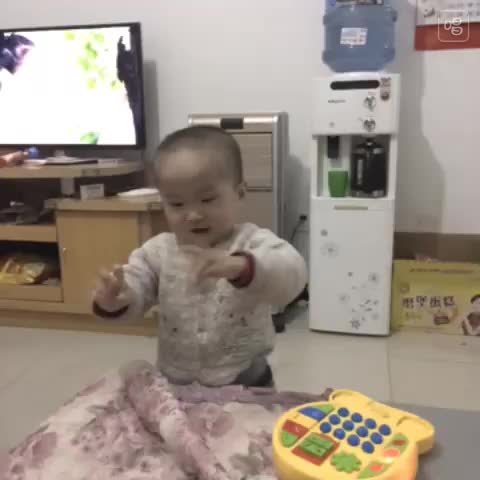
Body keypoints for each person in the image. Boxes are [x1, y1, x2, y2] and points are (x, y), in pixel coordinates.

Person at [92, 126, 307, 387]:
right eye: (177, 204)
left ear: (239, 194)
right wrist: (118, 299)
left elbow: (292, 274)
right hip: (177, 386)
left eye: (207, 199)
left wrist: (242, 268)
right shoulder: (158, 251)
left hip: (248, 381)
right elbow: (138, 284)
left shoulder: (253, 243)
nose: (193, 215)